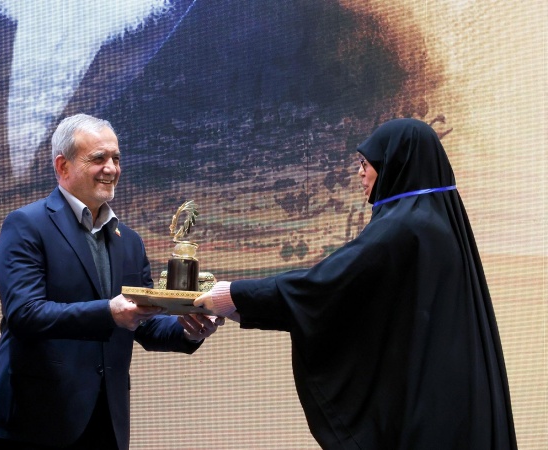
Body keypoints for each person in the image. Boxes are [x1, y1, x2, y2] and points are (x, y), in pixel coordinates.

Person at [195, 118, 517, 449]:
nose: (359, 173)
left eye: (366, 163)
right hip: (453, 400)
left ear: (394, 162)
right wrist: (240, 305)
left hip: (428, 415)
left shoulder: (403, 227)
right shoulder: (435, 221)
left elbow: (325, 288)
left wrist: (232, 296)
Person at [0, 113, 222, 449]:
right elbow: (25, 314)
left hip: (106, 421)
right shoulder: (26, 225)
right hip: (35, 421)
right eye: (98, 158)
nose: (111, 168)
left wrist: (189, 328)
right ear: (63, 166)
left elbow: (145, 323)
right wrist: (108, 312)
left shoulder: (130, 241)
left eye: (116, 158)